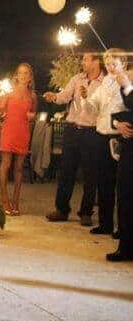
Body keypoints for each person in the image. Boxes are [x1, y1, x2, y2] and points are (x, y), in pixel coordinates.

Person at [44, 53, 104, 226]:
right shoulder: (77, 78)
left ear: (96, 61)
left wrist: (88, 97)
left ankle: (86, 213)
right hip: (72, 130)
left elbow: (103, 108)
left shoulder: (105, 82)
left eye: (86, 59)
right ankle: (61, 209)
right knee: (66, 172)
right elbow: (65, 95)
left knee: (90, 174)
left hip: (92, 131)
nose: (82, 62)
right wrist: (54, 96)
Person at [83, 49, 128, 237]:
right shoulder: (105, 83)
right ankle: (105, 223)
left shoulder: (126, 82)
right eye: (107, 63)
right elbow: (94, 106)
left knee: (122, 186)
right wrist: (86, 96)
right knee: (103, 182)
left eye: (113, 63)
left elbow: (126, 109)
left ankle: (123, 227)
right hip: (101, 135)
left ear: (123, 64)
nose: (109, 67)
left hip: (119, 137)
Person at [0, 63, 37, 216]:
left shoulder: (32, 96)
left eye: (26, 73)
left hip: (23, 132)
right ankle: (4, 199)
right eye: (21, 73)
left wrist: (32, 116)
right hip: (9, 131)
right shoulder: (8, 94)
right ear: (16, 76)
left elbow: (33, 115)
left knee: (19, 168)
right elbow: (0, 115)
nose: (23, 75)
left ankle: (15, 202)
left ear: (30, 77)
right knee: (5, 165)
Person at [108, 62, 133, 262]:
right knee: (124, 196)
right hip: (129, 150)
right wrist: (118, 123)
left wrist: (127, 84)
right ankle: (125, 247)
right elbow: (115, 114)